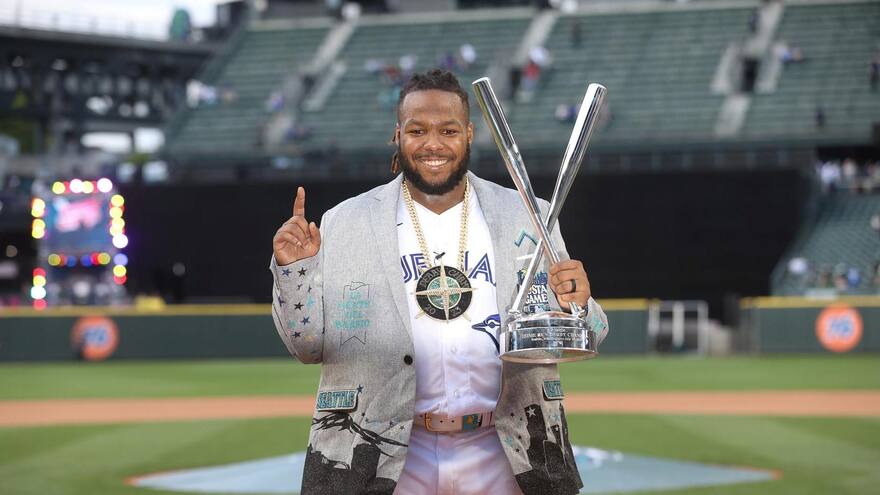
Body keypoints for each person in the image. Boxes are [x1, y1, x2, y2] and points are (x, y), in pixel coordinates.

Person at [270, 69, 609, 495]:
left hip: (506, 453)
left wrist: (579, 304)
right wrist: (294, 271)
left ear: (468, 134)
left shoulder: (527, 214)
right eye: (417, 130)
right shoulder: (346, 221)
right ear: (397, 135)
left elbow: (589, 334)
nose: (433, 143)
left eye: (448, 129)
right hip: (385, 457)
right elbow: (307, 347)